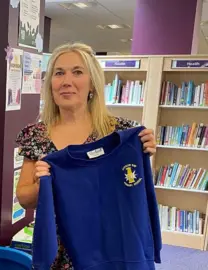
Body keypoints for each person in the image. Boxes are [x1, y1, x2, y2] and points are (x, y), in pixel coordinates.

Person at [15, 42, 156, 269]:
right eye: (59, 73)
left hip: (109, 247)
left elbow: (133, 186)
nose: (66, 81)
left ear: (92, 83)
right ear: (50, 83)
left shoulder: (119, 132)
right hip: (57, 250)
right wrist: (43, 185)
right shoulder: (35, 135)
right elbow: (24, 197)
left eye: (77, 72)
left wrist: (144, 150)